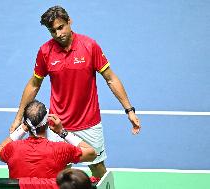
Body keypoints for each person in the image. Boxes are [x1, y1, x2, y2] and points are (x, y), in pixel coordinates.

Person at [10, 5, 141, 178]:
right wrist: (18, 118)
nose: (58, 34)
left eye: (60, 27)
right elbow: (34, 84)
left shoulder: (89, 46)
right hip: (58, 124)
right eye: (52, 31)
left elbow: (110, 78)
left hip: (90, 123)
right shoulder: (45, 52)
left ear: (69, 21)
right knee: (61, 173)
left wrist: (129, 110)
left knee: (98, 169)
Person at [0, 100, 97, 179]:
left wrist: (22, 129)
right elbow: (92, 154)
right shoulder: (61, 150)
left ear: (25, 123)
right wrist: (62, 132)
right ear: (47, 123)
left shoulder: (12, 148)